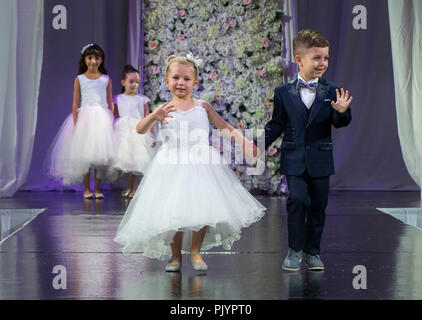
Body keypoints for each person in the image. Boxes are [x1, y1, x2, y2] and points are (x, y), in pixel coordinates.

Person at [114, 53, 265, 272]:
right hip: (170, 165)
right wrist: (154, 116)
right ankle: (175, 256)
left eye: (186, 79)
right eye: (176, 78)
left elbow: (224, 127)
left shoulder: (203, 107)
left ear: (195, 82)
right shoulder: (163, 109)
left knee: (202, 208)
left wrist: (244, 141)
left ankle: (196, 251)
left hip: (200, 163)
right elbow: (140, 129)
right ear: (167, 81)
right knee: (173, 211)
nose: (180, 83)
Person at [263, 30, 352, 271]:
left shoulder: (332, 90)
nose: (322, 63)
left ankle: (313, 252)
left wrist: (341, 112)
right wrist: (258, 143)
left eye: (325, 58)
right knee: (297, 200)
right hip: (294, 158)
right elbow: (277, 123)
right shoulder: (283, 92)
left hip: (321, 159)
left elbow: (339, 122)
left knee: (318, 206)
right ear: (299, 59)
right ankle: (294, 250)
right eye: (316, 58)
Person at [45, 43, 115, 199]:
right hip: (85, 120)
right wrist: (76, 124)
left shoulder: (105, 79)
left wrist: (111, 120)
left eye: (97, 58)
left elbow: (110, 102)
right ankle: (86, 188)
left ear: (101, 60)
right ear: (84, 59)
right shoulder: (80, 79)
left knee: (101, 157)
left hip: (102, 120)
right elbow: (75, 103)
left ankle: (97, 188)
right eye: (90, 58)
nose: (93, 62)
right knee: (84, 157)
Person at [113, 64, 156, 198]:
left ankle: (135, 187)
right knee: (126, 160)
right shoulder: (118, 98)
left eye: (137, 82)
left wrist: (152, 136)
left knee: (137, 159)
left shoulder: (142, 99)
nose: (134, 85)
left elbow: (148, 117)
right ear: (123, 82)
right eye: (131, 82)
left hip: (139, 130)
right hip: (123, 131)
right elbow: (114, 117)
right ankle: (129, 185)